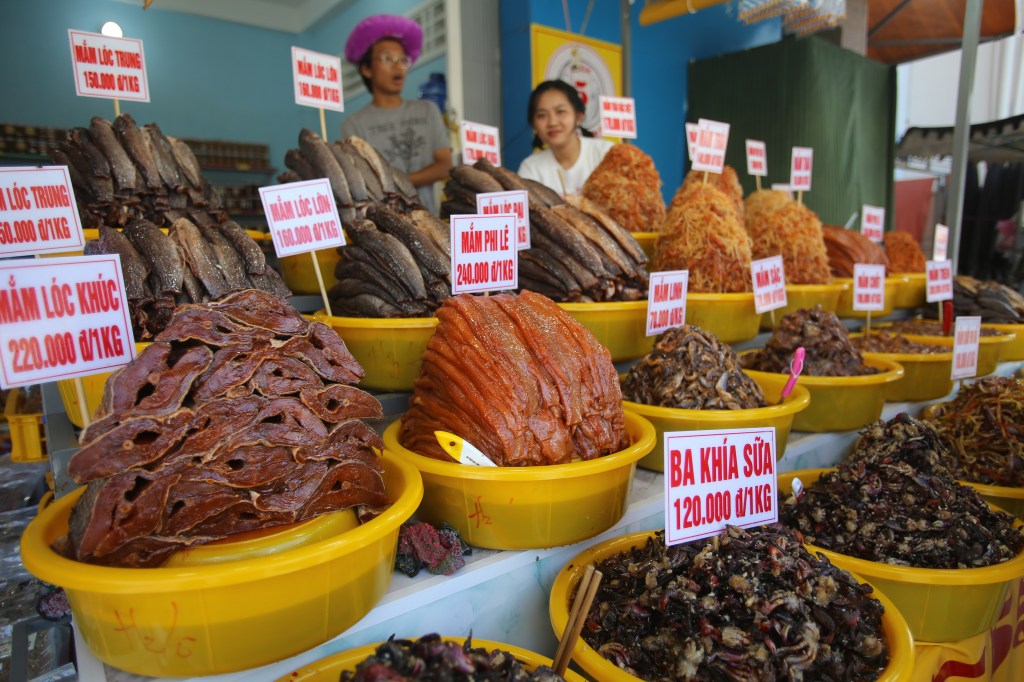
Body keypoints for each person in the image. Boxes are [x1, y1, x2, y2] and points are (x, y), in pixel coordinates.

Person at [342, 14, 451, 213]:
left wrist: (398, 182)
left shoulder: (427, 110)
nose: (398, 65)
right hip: (383, 224)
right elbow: (361, 183)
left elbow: (445, 165)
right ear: (366, 69)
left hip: (428, 219)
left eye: (403, 59)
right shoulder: (354, 125)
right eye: (387, 58)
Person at [517, 80, 614, 197]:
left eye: (560, 112)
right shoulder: (531, 168)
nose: (552, 122)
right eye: (542, 115)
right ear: (533, 124)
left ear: (578, 116)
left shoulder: (605, 153)